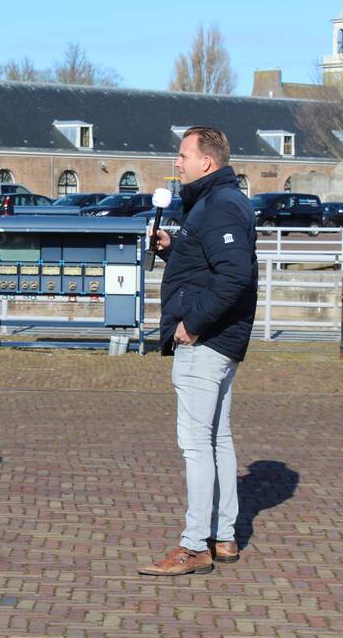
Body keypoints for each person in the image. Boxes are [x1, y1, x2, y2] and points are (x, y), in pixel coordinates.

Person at [138, 126, 258, 577]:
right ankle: (224, 536)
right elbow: (212, 264)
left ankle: (194, 545)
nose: (177, 162)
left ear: (206, 162)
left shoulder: (220, 206)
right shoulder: (215, 203)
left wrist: (192, 325)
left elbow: (234, 276)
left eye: (183, 155)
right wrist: (177, 248)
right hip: (220, 340)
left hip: (207, 342)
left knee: (196, 443)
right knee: (217, 438)